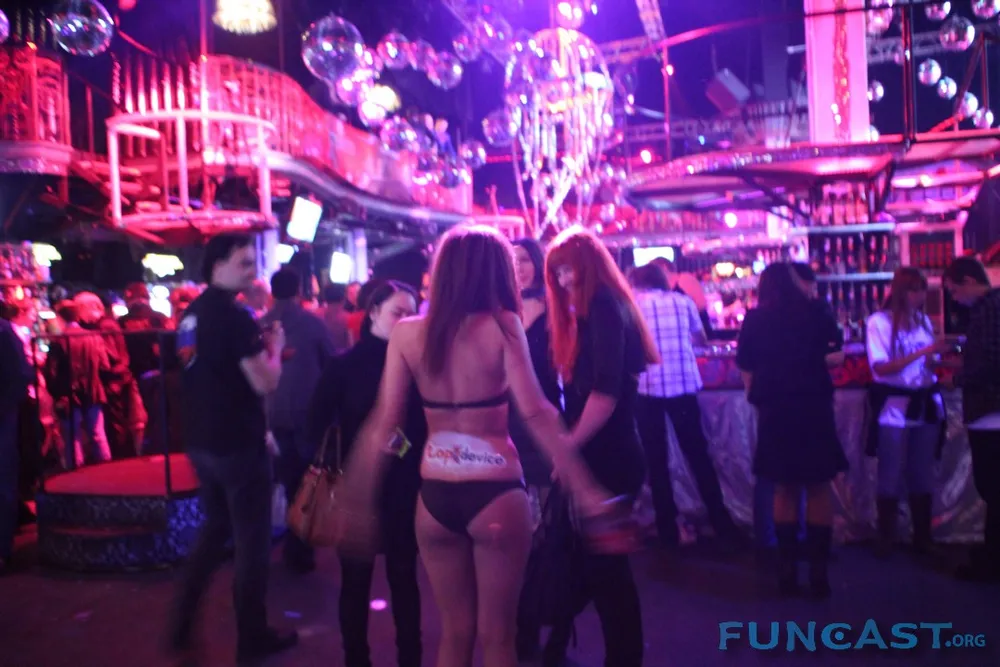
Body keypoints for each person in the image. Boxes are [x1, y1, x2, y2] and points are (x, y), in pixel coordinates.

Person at [335, 225, 607, 667]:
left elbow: (384, 423)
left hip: (435, 495)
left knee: (455, 634)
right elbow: (536, 411)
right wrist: (585, 487)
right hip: (495, 490)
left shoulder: (406, 335)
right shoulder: (504, 326)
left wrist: (358, 496)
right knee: (498, 637)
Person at [167, 234, 297, 665]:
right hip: (239, 444)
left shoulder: (190, 316)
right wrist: (274, 347)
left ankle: (182, 623)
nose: (252, 271)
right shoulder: (235, 318)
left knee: (215, 529)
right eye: (243, 262)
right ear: (217, 264)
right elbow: (266, 381)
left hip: (201, 441)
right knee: (252, 543)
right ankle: (252, 636)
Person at [544, 229, 660, 667]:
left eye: (568, 270)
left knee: (605, 575)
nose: (563, 280)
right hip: (610, 454)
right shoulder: (605, 307)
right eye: (557, 273)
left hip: (608, 458)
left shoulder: (604, 307)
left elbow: (605, 394)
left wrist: (567, 448)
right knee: (595, 569)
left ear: (588, 265)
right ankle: (552, 648)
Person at [310, 280, 426, 667]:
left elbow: (422, 428)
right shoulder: (346, 365)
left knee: (404, 579)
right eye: (398, 312)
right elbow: (315, 423)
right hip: (355, 486)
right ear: (373, 312)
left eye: (412, 315)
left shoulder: (419, 364)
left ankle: (410, 658)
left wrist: (402, 448)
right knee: (355, 584)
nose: (406, 321)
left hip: (404, 489)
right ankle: (356, 659)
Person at [736, 263, 847, 597]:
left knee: (783, 488)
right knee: (818, 487)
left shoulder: (755, 319)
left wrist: (756, 393)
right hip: (813, 403)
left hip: (776, 407)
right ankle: (818, 573)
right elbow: (837, 356)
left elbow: (745, 364)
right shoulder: (817, 312)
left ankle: (786, 571)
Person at [629, 263, 742, 547]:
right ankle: (721, 522)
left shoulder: (632, 305)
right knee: (698, 455)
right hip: (682, 385)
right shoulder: (683, 302)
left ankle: (667, 530)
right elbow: (700, 338)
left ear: (638, 283)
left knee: (656, 461)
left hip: (648, 389)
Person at [865, 268, 948, 558]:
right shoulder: (879, 322)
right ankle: (886, 537)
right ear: (901, 291)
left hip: (924, 401)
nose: (920, 295)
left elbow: (929, 364)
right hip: (895, 406)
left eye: (923, 289)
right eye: (914, 289)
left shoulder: (923, 320)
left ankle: (922, 537)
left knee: (922, 471)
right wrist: (924, 352)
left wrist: (945, 360)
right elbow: (881, 368)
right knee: (890, 471)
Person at [261, 267, 335, 574]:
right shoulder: (313, 324)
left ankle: (287, 544)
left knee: (284, 479)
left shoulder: (260, 325)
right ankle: (300, 547)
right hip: (306, 412)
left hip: (272, 413)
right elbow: (331, 365)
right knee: (306, 482)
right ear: (299, 290)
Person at [509, 237, 562, 662]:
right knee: (517, 538)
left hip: (544, 432)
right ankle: (523, 635)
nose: (519, 267)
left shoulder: (557, 312)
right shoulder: (500, 311)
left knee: (548, 537)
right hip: (506, 431)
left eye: (525, 259)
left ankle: (553, 635)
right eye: (512, 261)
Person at [943, 257, 1000, 582]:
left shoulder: (990, 309)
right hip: (990, 410)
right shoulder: (990, 307)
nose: (954, 298)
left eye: (953, 290)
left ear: (967, 281)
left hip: (990, 411)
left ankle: (991, 561)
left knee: (992, 487)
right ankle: (991, 554)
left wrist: (958, 379)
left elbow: (991, 361)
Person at [44, 300, 112, 469]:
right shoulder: (94, 337)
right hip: (93, 390)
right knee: (98, 434)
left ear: (60, 317)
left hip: (68, 394)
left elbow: (52, 372)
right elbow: (105, 366)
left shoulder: (59, 341)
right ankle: (107, 471)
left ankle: (76, 476)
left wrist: (56, 394)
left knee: (72, 438)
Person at [0, 312, 31, 574]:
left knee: (3, 483)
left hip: (3, 418)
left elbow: (21, 377)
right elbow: (22, 375)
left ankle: (2, 549)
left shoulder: (4, 332)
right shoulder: (6, 332)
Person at [321, 283, 352, 351]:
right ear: (344, 298)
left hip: (320, 356)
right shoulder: (349, 318)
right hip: (343, 356)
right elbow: (351, 345)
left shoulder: (314, 316)